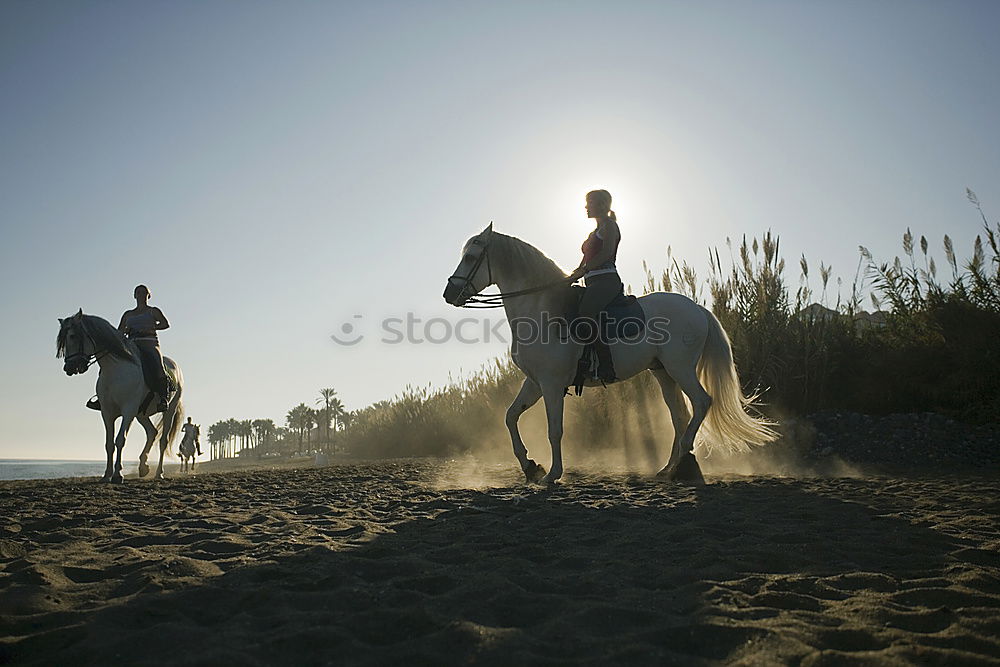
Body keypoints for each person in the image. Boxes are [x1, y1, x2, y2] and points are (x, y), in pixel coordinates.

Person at [567, 189, 623, 383]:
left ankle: (606, 366)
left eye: (589, 203)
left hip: (607, 281)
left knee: (586, 312)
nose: (585, 207)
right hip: (592, 281)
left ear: (601, 205)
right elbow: (584, 261)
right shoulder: (593, 232)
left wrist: (584, 270)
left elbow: (607, 252)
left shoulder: (610, 226)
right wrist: (571, 276)